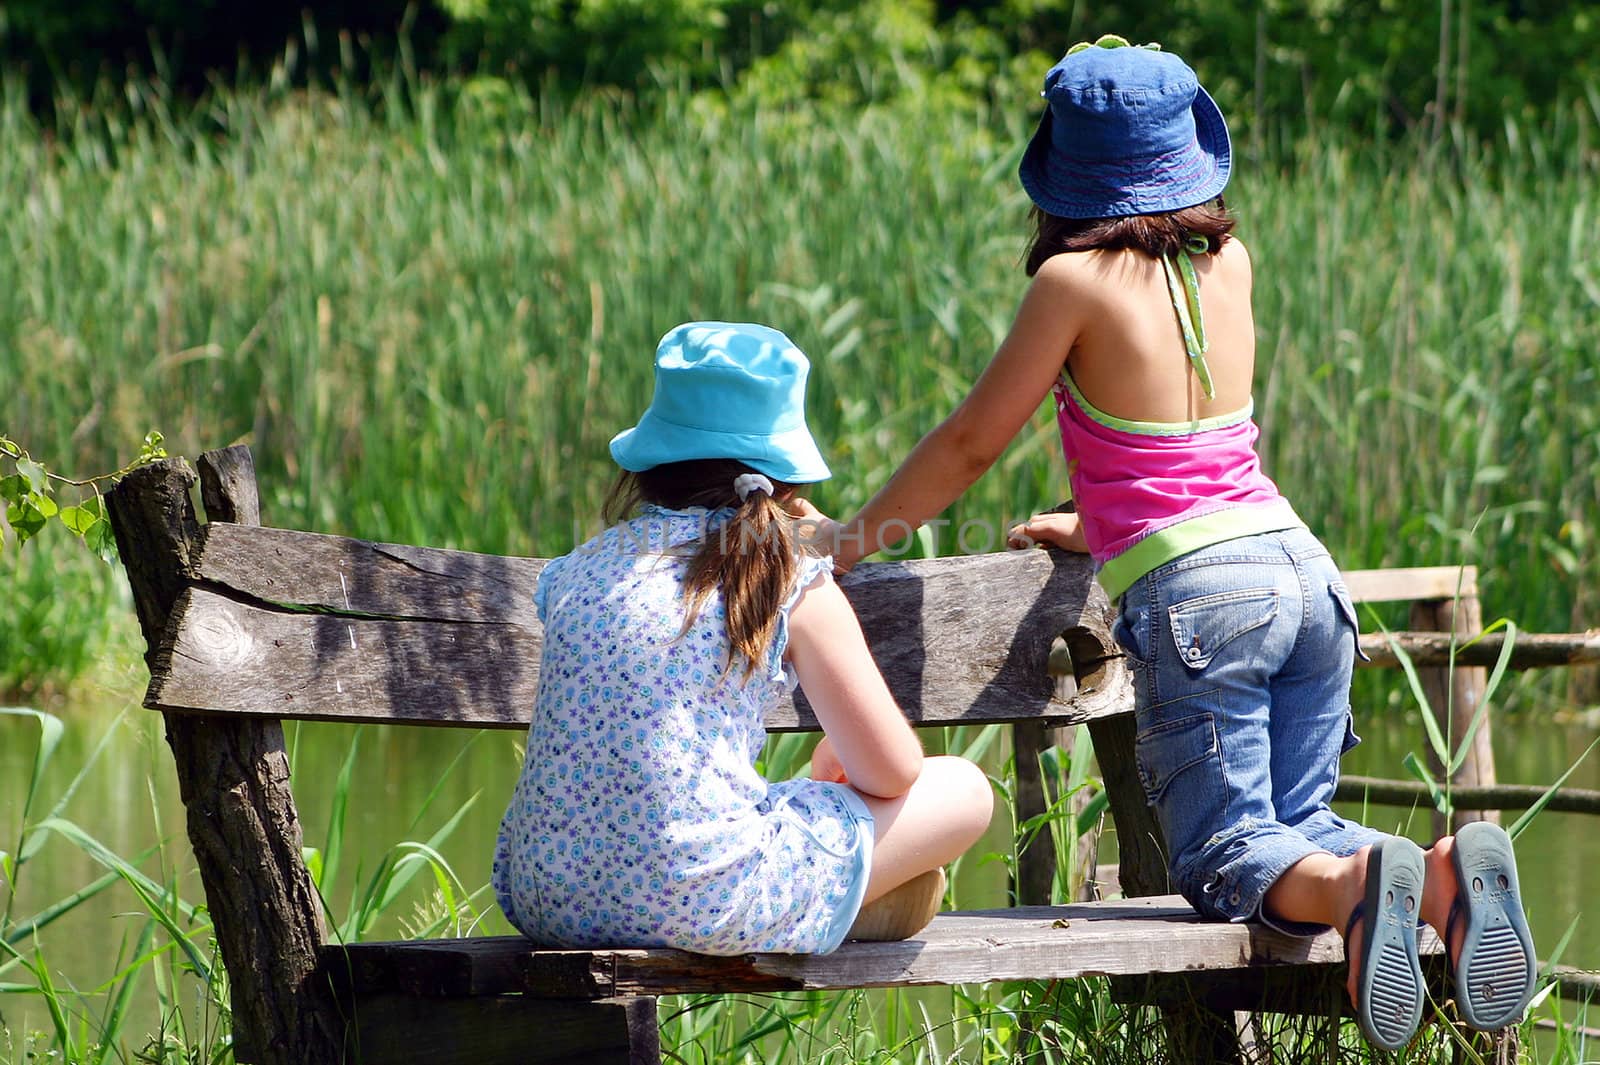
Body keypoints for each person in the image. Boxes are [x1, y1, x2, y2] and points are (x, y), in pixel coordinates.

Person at [821, 36, 1536, 1048]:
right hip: (1297, 566)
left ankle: (1366, 883)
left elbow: (973, 440)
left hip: (1204, 597)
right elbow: (1190, 439)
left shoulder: (1071, 282)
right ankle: (1448, 871)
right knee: (1304, 825)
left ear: (1064, 176)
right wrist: (1101, 521)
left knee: (1222, 856)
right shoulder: (1227, 259)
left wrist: (857, 540)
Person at [493, 320, 994, 957]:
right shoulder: (790, 576)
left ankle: (838, 896)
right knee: (966, 792)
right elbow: (894, 771)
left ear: (651, 463)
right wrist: (829, 771)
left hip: (545, 897)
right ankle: (843, 896)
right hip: (696, 900)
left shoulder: (581, 567)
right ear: (785, 479)